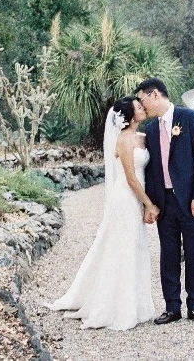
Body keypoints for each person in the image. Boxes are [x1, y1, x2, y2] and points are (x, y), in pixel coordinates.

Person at [46, 96, 159, 330]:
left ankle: (138, 305)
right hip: (127, 198)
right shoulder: (124, 140)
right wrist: (149, 204)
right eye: (138, 107)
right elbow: (130, 178)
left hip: (137, 198)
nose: (143, 108)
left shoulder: (142, 137)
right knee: (123, 247)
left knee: (135, 246)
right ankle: (115, 307)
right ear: (129, 116)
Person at [136, 77, 194, 325]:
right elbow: (149, 171)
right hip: (165, 203)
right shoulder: (149, 130)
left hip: (193, 201)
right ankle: (172, 307)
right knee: (168, 255)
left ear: (155, 95)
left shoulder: (191, 119)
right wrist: (149, 204)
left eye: (142, 99)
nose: (141, 105)